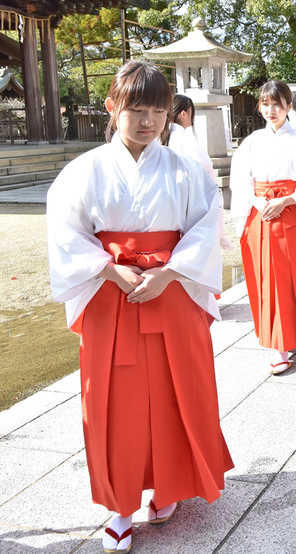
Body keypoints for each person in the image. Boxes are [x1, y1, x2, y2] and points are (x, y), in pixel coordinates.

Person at [47, 61, 234, 554]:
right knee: (113, 403)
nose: (147, 119)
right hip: (112, 295)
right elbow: (66, 233)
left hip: (171, 292)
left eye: (157, 110)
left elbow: (206, 225)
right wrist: (111, 270)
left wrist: (170, 272)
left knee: (178, 392)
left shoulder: (185, 169)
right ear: (113, 107)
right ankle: (120, 506)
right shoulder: (83, 171)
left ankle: (170, 485)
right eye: (135, 108)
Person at [230, 80, 296, 374]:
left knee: (290, 278)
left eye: (277, 104)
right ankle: (278, 343)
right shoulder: (252, 142)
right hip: (260, 215)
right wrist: (260, 204)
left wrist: (285, 200)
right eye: (265, 104)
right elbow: (241, 181)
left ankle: (289, 337)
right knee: (266, 280)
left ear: (288, 107)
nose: (271, 110)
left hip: (292, 213)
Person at [167, 93, 233, 250]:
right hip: (192, 203)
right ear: (184, 114)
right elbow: (205, 172)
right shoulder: (184, 141)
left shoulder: (164, 137)